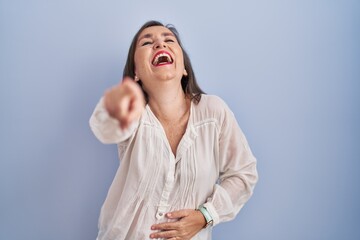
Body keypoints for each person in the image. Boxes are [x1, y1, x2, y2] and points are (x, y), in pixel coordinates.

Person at [89, 20, 258, 240]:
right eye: (147, 43)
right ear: (137, 72)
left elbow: (244, 174)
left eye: (169, 40)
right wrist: (117, 104)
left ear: (184, 68)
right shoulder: (134, 114)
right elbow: (105, 127)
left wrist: (205, 215)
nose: (160, 44)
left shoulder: (214, 112)